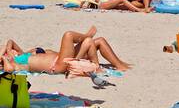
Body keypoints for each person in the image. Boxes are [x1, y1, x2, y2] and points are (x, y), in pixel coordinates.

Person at [1, 27, 130, 75]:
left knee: (99, 40)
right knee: (68, 35)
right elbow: (9, 71)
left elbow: (10, 41)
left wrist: (7, 50)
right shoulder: (13, 63)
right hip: (57, 65)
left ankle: (120, 66)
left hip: (61, 58)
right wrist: (5, 58)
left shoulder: (20, 54)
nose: (11, 52)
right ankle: (87, 37)